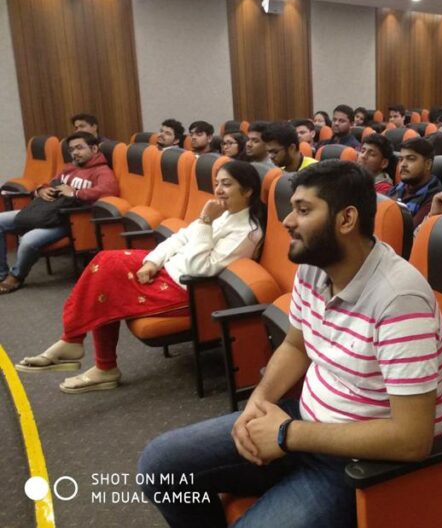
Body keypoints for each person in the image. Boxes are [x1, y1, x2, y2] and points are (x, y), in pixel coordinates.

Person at [138, 161, 442, 527]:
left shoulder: (399, 299)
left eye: (303, 210)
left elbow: (413, 438)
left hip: (357, 461)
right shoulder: (314, 267)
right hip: (301, 422)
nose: (287, 221)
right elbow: (295, 346)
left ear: (346, 219)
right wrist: (258, 403)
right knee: (159, 467)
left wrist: (287, 434)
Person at [15, 161, 264, 391]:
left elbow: (198, 268)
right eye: (217, 183)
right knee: (105, 261)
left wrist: (206, 221)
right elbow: (180, 238)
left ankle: (95, 360)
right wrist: (153, 261)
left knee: (107, 284)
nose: (219, 190)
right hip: (167, 268)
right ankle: (77, 344)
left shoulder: (246, 232)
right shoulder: (223, 212)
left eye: (227, 184)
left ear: (247, 191)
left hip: (186, 289)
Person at [0, 132, 119, 295]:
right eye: (72, 150)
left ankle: (16, 276)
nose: (75, 153)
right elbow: (50, 183)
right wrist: (42, 190)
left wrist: (76, 193)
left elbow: (109, 190)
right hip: (46, 211)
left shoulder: (102, 171)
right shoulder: (70, 168)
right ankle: (1, 273)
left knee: (28, 241)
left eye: (79, 148)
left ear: (94, 149)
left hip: (68, 221)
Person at [387, 137, 442, 227]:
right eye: (401, 159)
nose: (403, 164)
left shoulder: (434, 198)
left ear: (428, 164)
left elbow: (409, 231)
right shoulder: (400, 186)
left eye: (411, 159)